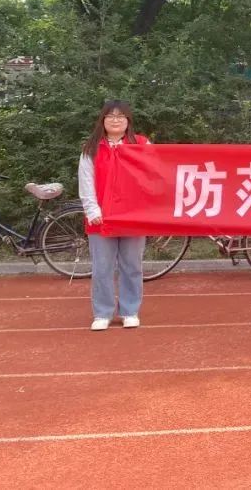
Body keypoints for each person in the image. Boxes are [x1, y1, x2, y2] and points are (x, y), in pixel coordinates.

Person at [78, 100, 150, 331]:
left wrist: (145, 208)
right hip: (101, 217)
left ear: (128, 121)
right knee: (102, 267)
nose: (116, 120)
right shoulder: (91, 148)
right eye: (110, 116)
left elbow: (153, 174)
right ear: (103, 120)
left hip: (133, 216)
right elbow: (86, 181)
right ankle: (103, 312)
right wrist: (92, 210)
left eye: (121, 116)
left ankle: (130, 310)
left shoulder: (141, 144)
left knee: (132, 265)